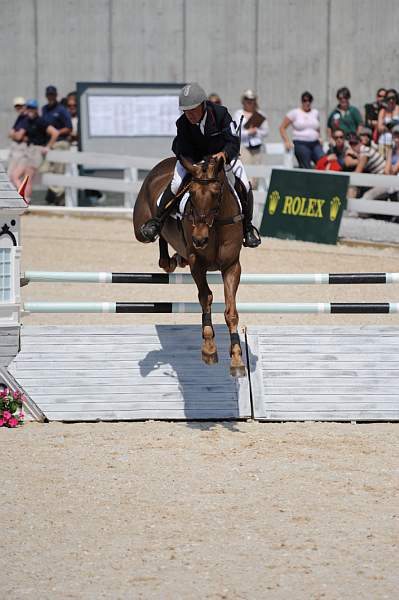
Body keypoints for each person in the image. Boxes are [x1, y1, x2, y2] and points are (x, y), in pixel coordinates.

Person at [140, 82, 260, 248]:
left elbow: (233, 141)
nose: (189, 115)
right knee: (175, 184)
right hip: (194, 161)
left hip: (222, 158)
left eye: (192, 110)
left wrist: (224, 154)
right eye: (185, 111)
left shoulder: (220, 114)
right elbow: (181, 150)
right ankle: (157, 221)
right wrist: (193, 166)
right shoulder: (182, 123)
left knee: (244, 183)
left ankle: (247, 227)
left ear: (203, 104)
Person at [11, 99, 59, 204]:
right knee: (15, 175)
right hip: (28, 149)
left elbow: (55, 133)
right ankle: (24, 199)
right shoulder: (27, 120)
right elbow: (19, 135)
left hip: (37, 150)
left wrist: (48, 147)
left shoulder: (40, 121)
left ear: (36, 109)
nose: (30, 110)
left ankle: (26, 200)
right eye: (29, 108)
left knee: (27, 179)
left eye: (32, 108)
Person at [41, 85, 72, 204]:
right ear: (46, 96)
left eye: (52, 94)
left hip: (60, 143)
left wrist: (57, 132)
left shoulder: (61, 109)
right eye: (49, 95)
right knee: (44, 170)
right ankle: (59, 192)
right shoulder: (44, 109)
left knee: (59, 172)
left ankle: (60, 198)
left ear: (56, 95)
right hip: (48, 144)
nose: (51, 97)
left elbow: (69, 128)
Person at [233, 89, 269, 189]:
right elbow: (236, 132)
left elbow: (266, 131)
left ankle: (254, 199)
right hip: (244, 147)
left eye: (252, 99)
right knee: (246, 174)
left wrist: (256, 131)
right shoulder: (238, 113)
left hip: (257, 148)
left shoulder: (260, 114)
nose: (249, 101)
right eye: (247, 99)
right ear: (243, 100)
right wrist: (249, 132)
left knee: (256, 176)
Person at [279, 91, 324, 169]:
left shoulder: (315, 112)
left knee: (322, 160)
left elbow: (317, 127)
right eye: (305, 100)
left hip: (315, 143)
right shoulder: (294, 113)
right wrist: (287, 141)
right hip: (301, 143)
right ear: (302, 101)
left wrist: (320, 137)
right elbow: (282, 128)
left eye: (309, 100)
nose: (307, 103)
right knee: (306, 163)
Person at [345, 132, 387, 200]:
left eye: (355, 143)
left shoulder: (365, 151)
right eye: (351, 144)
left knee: (366, 197)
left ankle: (351, 208)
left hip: (385, 182)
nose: (353, 146)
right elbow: (348, 163)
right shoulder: (361, 153)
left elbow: (357, 172)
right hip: (378, 180)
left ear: (360, 143)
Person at [7, 97, 28, 178]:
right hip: (16, 149)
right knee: (12, 175)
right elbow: (10, 134)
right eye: (17, 106)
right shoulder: (20, 118)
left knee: (12, 176)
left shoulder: (26, 118)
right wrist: (15, 135)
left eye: (21, 105)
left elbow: (19, 137)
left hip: (21, 149)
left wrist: (14, 135)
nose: (18, 108)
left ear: (25, 106)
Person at [377, 89, 399, 158]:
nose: (391, 100)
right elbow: (379, 128)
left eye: (393, 98)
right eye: (389, 98)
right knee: (384, 164)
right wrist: (393, 126)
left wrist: (386, 126)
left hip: (397, 142)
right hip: (384, 141)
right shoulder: (382, 111)